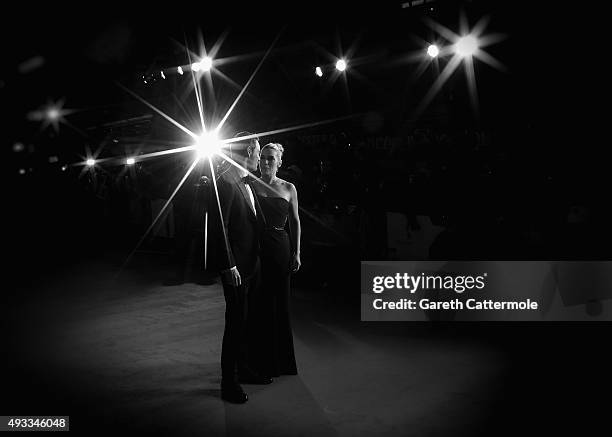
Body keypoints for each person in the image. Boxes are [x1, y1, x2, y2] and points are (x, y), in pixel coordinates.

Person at [208, 132, 272, 404]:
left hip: (252, 263)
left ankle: (244, 369)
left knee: (247, 321)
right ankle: (229, 383)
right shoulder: (224, 182)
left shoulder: (246, 181)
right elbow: (218, 227)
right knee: (235, 324)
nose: (259, 157)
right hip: (236, 267)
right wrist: (228, 264)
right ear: (247, 152)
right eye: (257, 152)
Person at [251, 142, 301, 376]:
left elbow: (295, 222)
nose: (266, 162)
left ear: (280, 162)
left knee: (280, 304)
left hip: (281, 248)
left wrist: (297, 252)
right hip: (257, 249)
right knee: (259, 305)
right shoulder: (249, 184)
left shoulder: (289, 188)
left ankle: (282, 362)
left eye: (271, 158)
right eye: (263, 157)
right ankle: (260, 360)